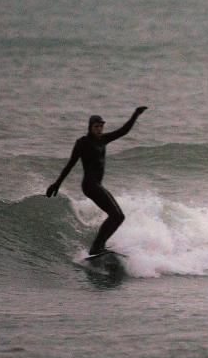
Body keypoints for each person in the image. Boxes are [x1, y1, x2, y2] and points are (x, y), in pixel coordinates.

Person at [46, 106, 147, 255]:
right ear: (90, 127)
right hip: (89, 185)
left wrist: (135, 115)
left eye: (101, 126)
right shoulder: (83, 142)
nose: (99, 129)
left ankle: (99, 245)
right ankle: (96, 247)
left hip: (97, 185)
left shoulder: (104, 139)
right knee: (115, 215)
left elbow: (123, 131)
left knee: (119, 217)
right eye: (96, 126)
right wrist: (57, 184)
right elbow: (70, 164)